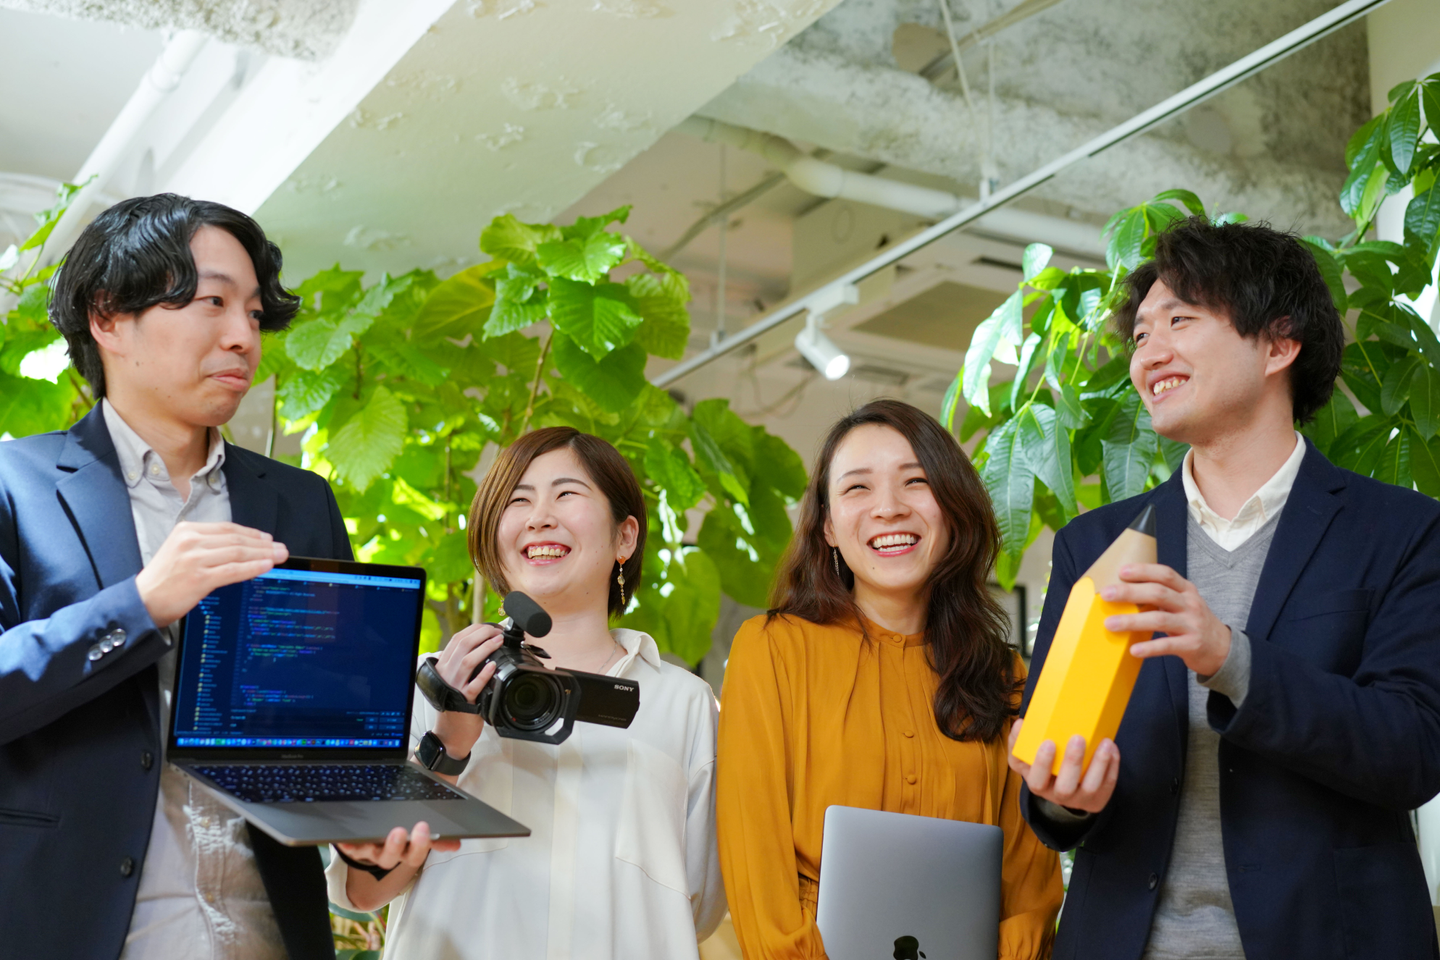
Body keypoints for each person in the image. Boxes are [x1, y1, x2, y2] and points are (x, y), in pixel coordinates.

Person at [1010, 216, 1440, 959]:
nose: (1150, 353)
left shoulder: (1402, 532)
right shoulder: (1096, 545)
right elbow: (1052, 781)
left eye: (1180, 320)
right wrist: (1060, 799)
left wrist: (1229, 659)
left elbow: (1414, 751)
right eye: (1140, 335)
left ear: (1278, 344)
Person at [0, 194, 351, 959]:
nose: (243, 337)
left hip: (268, 935)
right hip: (76, 930)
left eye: (253, 313)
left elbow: (330, 724)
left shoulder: (301, 502)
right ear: (108, 317)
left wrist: (368, 835)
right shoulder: (14, 484)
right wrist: (141, 604)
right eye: (212, 302)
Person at [327, 426, 726, 958]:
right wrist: (447, 748)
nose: (539, 517)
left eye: (567, 493)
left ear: (625, 537)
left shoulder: (685, 704)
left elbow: (696, 905)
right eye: (518, 500)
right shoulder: (426, 684)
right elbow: (362, 889)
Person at [717, 399, 1064, 960]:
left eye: (916, 482)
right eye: (857, 488)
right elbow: (753, 856)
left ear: (952, 507)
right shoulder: (772, 650)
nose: (889, 508)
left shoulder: (1006, 676)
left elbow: (1030, 881)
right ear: (828, 526)